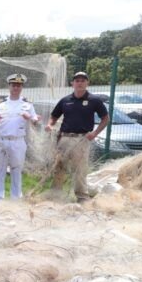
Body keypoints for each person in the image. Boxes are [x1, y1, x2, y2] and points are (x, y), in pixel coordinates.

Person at [45, 71, 109, 203]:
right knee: (59, 167)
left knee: (79, 169)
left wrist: (95, 133)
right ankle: (56, 195)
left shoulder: (94, 100)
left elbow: (105, 118)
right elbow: (53, 116)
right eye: (77, 80)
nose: (80, 83)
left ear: (87, 83)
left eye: (83, 80)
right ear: (72, 83)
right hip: (64, 138)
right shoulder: (65, 100)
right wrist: (50, 125)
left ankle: (82, 197)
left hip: (82, 140)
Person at [0, 74, 39, 200]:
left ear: (22, 87)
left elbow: (35, 122)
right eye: (13, 85)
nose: (16, 87)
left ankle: (15, 198)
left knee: (16, 170)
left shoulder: (28, 105)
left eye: (19, 85)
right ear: (9, 86)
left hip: (18, 141)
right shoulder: (0, 104)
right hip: (1, 140)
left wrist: (31, 118)